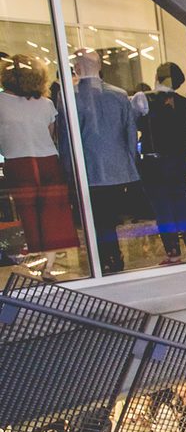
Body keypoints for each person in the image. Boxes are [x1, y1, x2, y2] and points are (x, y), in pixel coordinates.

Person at [0, 54, 79, 279]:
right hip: (47, 161)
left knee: (28, 212)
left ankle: (35, 260)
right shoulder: (45, 103)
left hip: (18, 162)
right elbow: (51, 134)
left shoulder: (1, 102)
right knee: (54, 213)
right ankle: (48, 265)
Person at [72, 49, 143, 273]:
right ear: (100, 66)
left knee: (95, 216)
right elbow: (130, 132)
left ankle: (104, 257)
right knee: (109, 216)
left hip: (88, 167)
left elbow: (66, 137)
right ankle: (112, 255)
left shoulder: (70, 95)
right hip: (116, 166)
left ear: (77, 68)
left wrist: (68, 169)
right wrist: (130, 161)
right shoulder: (119, 94)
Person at [137, 62, 186, 264]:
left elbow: (135, 125)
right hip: (178, 159)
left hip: (154, 161)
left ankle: (173, 251)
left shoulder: (142, 99)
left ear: (157, 76)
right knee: (181, 202)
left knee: (162, 207)